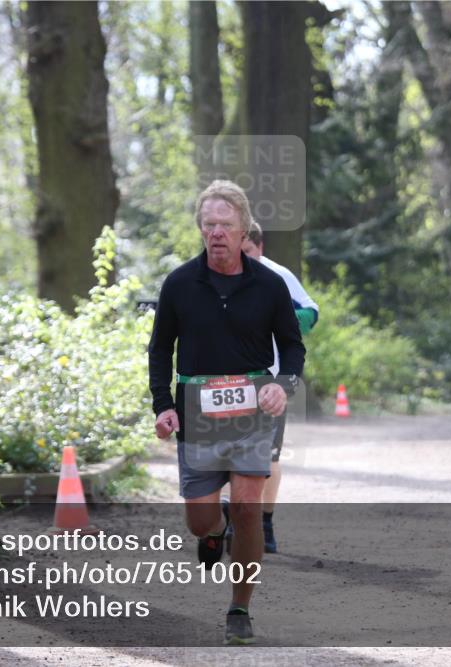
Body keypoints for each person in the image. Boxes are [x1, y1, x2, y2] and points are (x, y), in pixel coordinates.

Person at [148, 180, 305, 645]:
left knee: (248, 508)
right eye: (209, 224)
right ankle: (214, 533)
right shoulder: (179, 284)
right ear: (201, 229)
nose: (216, 232)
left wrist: (283, 384)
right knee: (200, 520)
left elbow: (293, 348)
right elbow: (160, 350)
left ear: (243, 231)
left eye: (226, 225)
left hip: (253, 408)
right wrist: (163, 406)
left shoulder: (270, 285)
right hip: (196, 409)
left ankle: (240, 607)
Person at [239, 221, 318, 553]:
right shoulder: (216, 275)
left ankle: (265, 523)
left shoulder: (278, 276)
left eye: (247, 253)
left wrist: (278, 320)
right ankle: (234, 521)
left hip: (271, 377)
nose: (241, 259)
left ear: (260, 248)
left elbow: (311, 312)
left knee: (268, 456)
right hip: (228, 380)